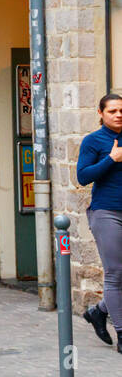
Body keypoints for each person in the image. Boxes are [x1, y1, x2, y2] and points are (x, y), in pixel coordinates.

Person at [79, 93, 122, 351]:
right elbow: (83, 176)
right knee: (115, 274)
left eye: (121, 111)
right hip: (107, 213)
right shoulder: (93, 141)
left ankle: (99, 311)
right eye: (113, 111)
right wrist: (110, 159)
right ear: (101, 113)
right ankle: (121, 333)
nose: (118, 115)